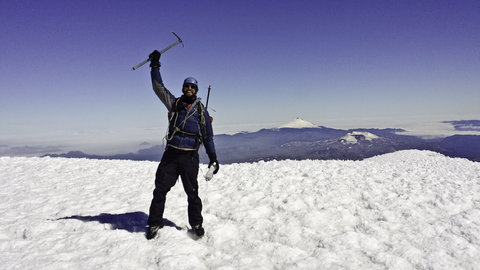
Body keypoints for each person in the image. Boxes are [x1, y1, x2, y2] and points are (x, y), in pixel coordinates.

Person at [145, 50, 219, 240]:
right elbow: (158, 88)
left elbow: (208, 137)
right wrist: (155, 66)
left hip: (189, 157)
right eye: (186, 86)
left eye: (192, 87)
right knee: (160, 189)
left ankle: (196, 224)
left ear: (196, 90)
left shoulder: (201, 112)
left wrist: (213, 158)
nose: (189, 89)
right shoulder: (174, 104)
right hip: (171, 154)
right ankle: (154, 222)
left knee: (192, 193)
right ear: (183, 88)